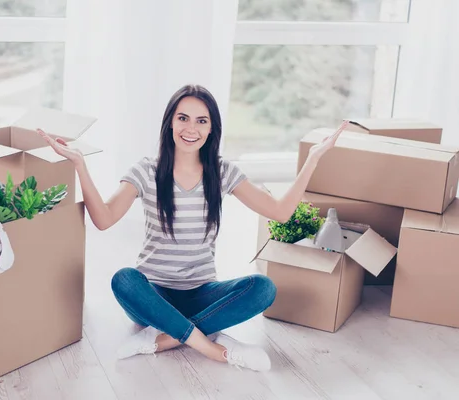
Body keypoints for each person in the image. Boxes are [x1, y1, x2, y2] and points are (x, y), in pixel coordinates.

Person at [37, 84, 346, 372]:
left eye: (202, 121)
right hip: (153, 293)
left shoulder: (223, 172)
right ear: (170, 122)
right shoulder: (146, 171)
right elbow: (103, 219)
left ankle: (163, 339)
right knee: (124, 281)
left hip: (201, 292)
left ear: (212, 129)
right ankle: (214, 349)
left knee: (263, 288)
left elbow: (279, 212)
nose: (191, 129)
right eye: (183, 118)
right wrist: (79, 165)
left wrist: (313, 159)